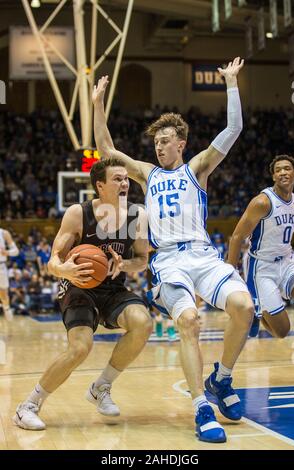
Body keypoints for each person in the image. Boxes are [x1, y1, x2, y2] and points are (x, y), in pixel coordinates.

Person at [93, 57, 254, 443]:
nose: (159, 146)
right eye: (155, 142)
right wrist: (98, 104)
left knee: (245, 309)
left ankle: (222, 378)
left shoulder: (197, 167)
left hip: (202, 253)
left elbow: (234, 128)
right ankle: (201, 406)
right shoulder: (148, 172)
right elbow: (106, 151)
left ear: (180, 144)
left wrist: (231, 83)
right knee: (188, 322)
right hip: (169, 260)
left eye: (165, 141)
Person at [13, 158, 152, 430]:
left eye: (126, 178)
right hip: (78, 285)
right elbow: (53, 260)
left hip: (112, 287)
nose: (125, 183)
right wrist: (65, 270)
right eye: (117, 179)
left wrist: (124, 264)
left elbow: (142, 259)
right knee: (80, 347)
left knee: (143, 323)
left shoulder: (139, 215)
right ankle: (27, 406)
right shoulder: (79, 213)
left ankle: (101, 387)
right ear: (100, 185)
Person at [228, 155, 294, 338]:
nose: (283, 172)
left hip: (287, 261)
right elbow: (236, 237)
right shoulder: (262, 202)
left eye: (287, 168)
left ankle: (259, 309)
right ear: (274, 177)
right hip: (262, 267)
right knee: (282, 331)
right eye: (278, 170)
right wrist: (230, 272)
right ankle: (258, 312)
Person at [0, 228, 19, 321]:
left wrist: (6, 252)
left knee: (3, 294)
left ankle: (6, 308)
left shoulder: (4, 233)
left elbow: (16, 251)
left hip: (1, 266)